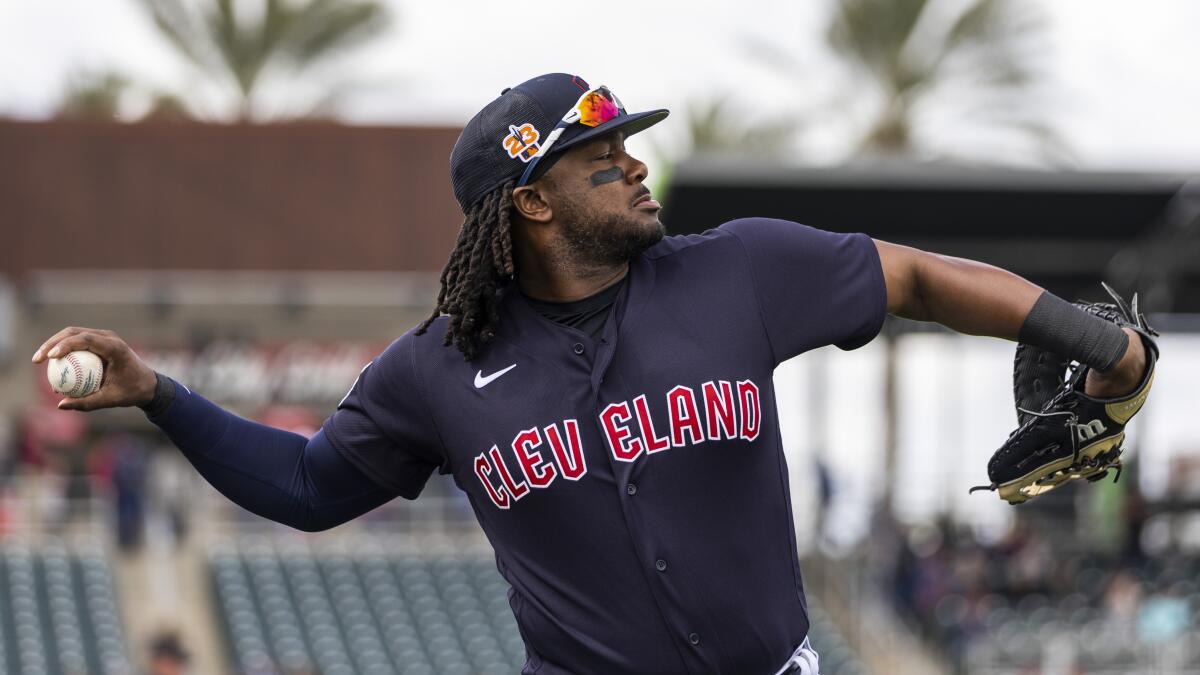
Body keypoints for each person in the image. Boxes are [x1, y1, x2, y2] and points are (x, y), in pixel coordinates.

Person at [32, 73, 1150, 675]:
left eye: (628, 144)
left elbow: (907, 275)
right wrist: (161, 396)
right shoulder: (434, 369)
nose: (633, 162)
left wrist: (1098, 343)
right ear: (527, 200)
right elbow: (314, 489)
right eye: (598, 156)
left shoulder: (734, 272)